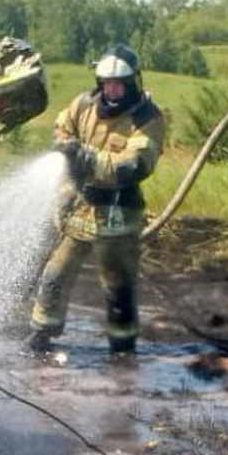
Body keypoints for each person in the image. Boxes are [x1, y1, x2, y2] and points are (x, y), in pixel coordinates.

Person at [26, 44, 165, 354]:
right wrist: (65, 147)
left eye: (118, 84)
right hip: (82, 209)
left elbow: (134, 165)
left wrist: (86, 156)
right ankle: (41, 335)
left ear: (133, 82)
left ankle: (123, 348)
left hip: (119, 215)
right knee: (54, 275)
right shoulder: (84, 105)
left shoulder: (147, 118)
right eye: (106, 83)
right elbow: (62, 128)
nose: (112, 90)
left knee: (117, 290)